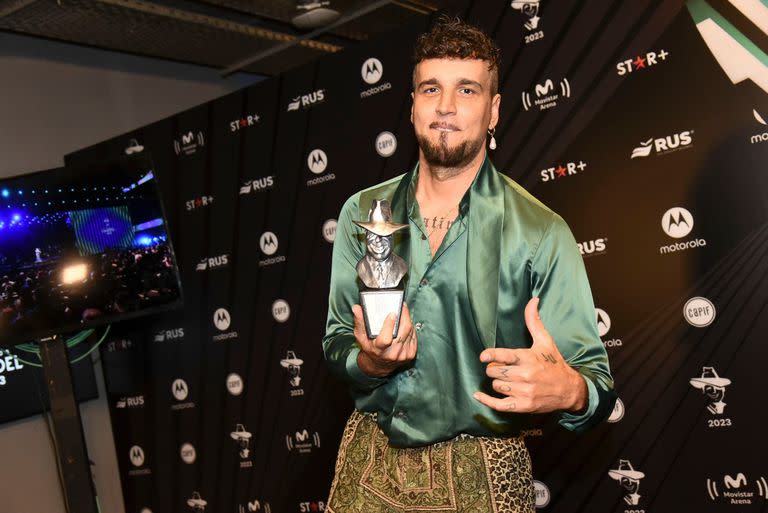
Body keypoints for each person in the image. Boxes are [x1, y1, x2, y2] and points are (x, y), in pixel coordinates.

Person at [323, 15, 615, 513]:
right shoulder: (365, 214)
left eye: (467, 90)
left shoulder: (540, 232)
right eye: (431, 88)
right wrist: (368, 360)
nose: (446, 107)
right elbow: (336, 342)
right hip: (368, 464)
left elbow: (597, 385)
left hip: (485, 471)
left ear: (494, 109)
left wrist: (569, 390)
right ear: (412, 104)